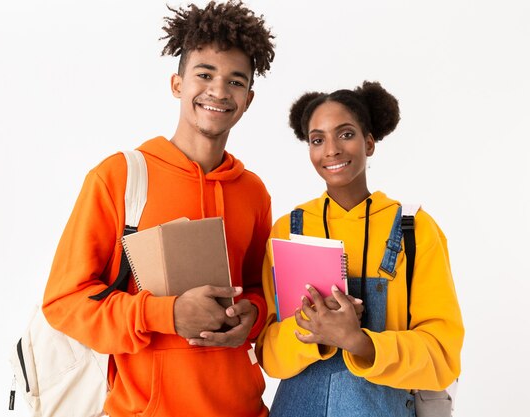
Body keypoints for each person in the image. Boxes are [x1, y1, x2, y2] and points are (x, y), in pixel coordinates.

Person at [42, 1, 275, 416]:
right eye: (204, 74)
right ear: (177, 84)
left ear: (248, 99)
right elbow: (64, 302)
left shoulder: (253, 192)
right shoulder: (119, 177)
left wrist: (252, 315)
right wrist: (166, 313)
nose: (219, 91)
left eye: (235, 81)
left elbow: (262, 292)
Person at [256, 81, 464, 416]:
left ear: (369, 142)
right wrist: (315, 331)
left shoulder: (415, 229)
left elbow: (442, 356)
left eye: (346, 134)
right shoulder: (288, 230)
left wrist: (359, 342)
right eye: (317, 139)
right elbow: (268, 354)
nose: (331, 149)